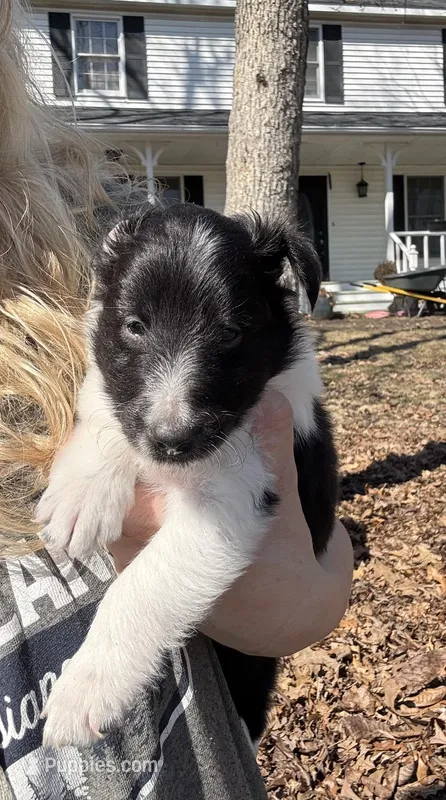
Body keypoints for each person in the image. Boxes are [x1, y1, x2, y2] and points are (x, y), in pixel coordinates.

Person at [0, 1, 353, 797]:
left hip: (200, 713)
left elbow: (251, 542)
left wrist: (113, 653)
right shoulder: (106, 270)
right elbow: (103, 369)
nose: (169, 412)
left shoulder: (71, 223)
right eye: (133, 328)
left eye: (223, 341)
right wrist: (99, 453)